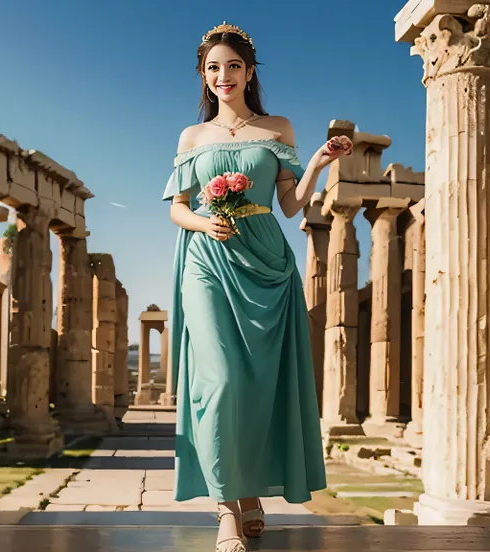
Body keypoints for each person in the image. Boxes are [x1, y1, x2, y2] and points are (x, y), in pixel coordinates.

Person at [162, 22, 353, 552]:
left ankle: (250, 497)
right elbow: (179, 207)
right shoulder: (192, 137)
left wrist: (315, 162)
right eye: (213, 68)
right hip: (208, 260)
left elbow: (290, 207)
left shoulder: (278, 129)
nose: (224, 76)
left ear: (249, 72)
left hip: (266, 261)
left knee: (259, 386)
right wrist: (205, 223)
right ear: (204, 76)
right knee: (220, 380)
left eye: (233, 66)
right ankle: (226, 507)